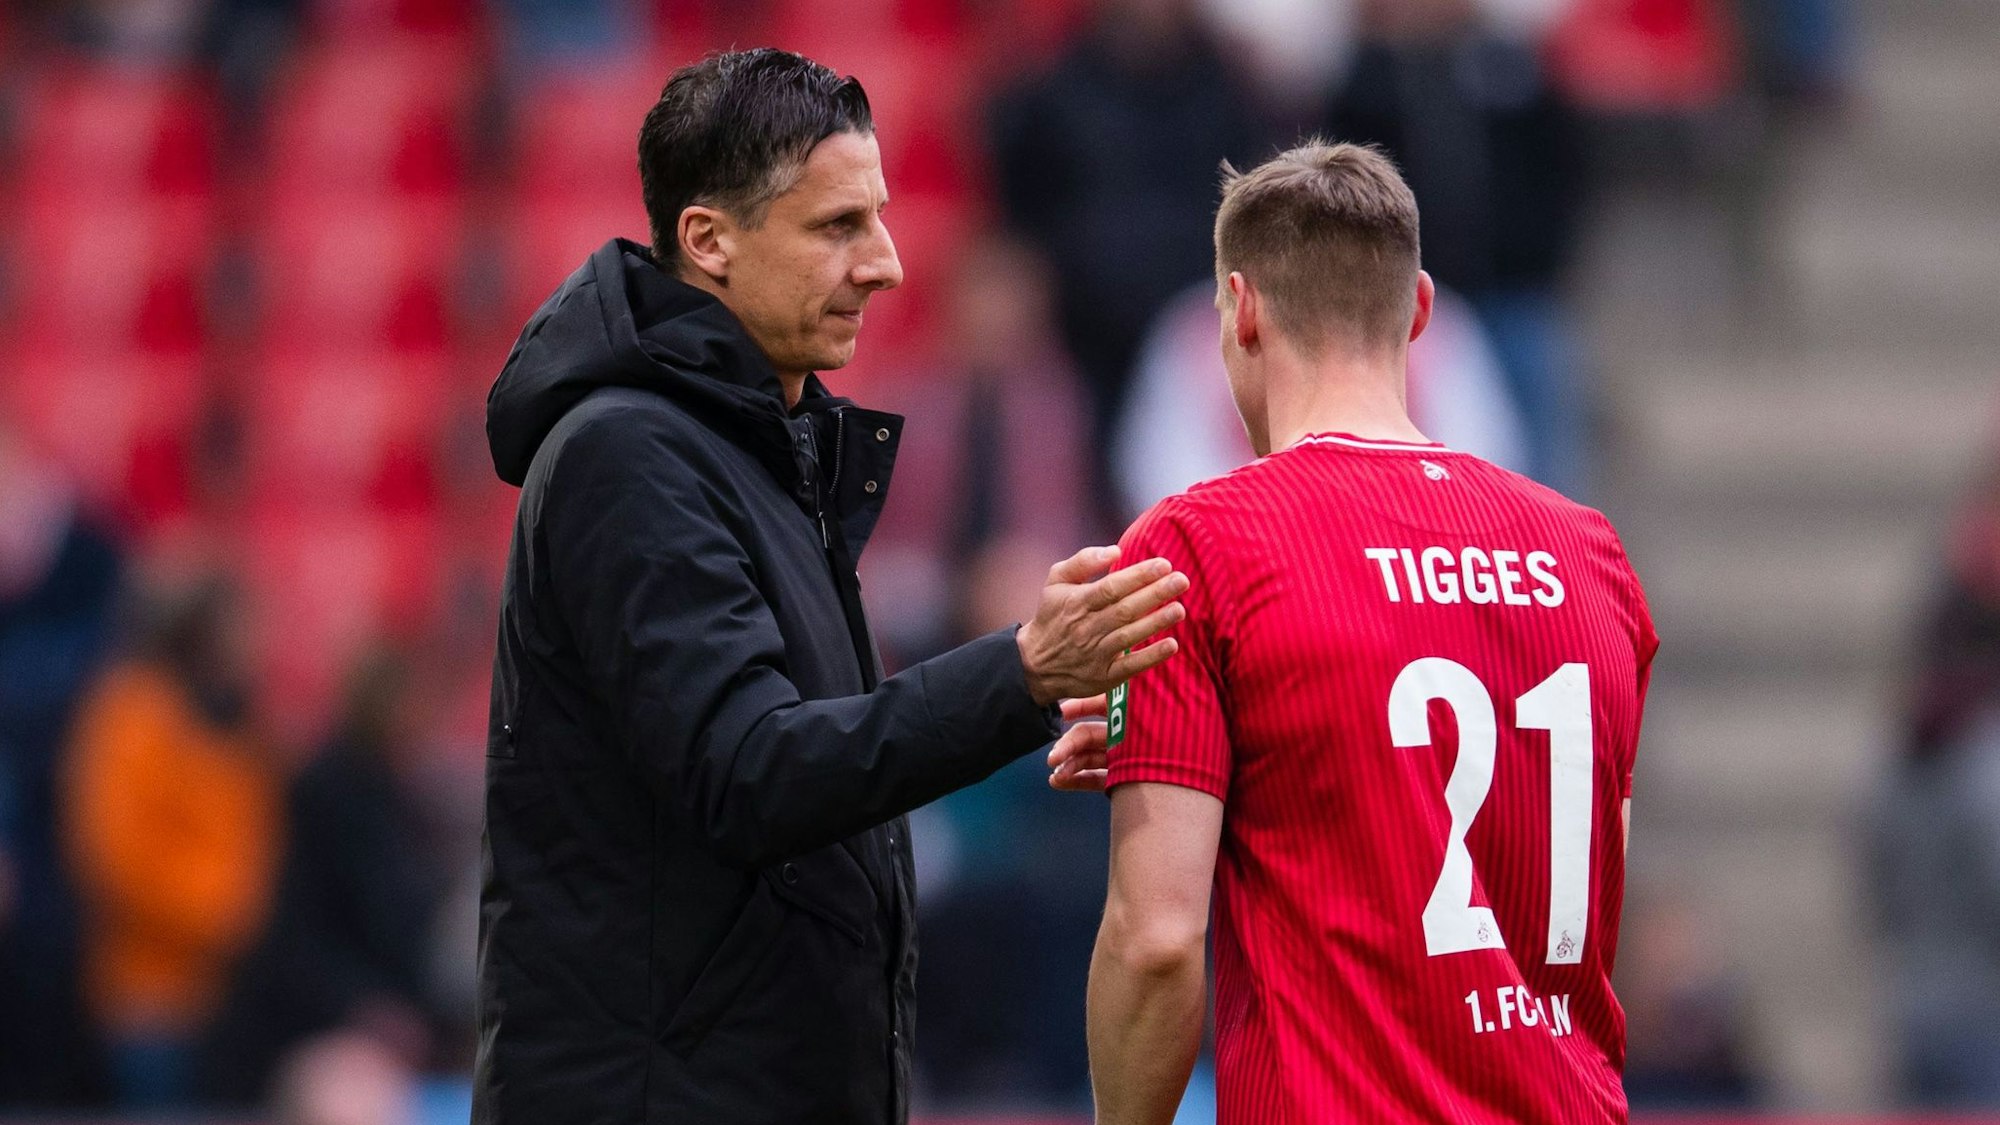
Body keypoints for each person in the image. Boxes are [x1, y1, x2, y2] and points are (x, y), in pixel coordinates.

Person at [476, 48, 1186, 1125]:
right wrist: (1021, 671)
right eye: (836, 227)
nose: (888, 264)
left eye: (881, 218)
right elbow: (754, 771)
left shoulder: (758, 444)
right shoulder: (628, 458)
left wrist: (1029, 698)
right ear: (708, 240)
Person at [1049, 142, 1658, 1123]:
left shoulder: (1196, 546)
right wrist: (1210, 748)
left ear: (1239, 312)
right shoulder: (1590, 558)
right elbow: (1583, 899)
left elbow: (1155, 942)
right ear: (1417, 312)